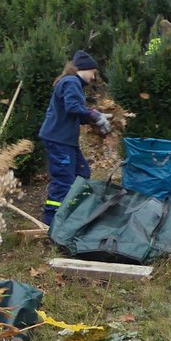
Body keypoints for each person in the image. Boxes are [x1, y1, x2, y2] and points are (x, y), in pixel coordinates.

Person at [39, 50, 113, 226]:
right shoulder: (71, 82)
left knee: (82, 173)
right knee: (63, 180)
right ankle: (51, 221)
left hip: (66, 140)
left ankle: (73, 211)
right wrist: (94, 114)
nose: (94, 78)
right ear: (86, 69)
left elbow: (75, 115)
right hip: (58, 140)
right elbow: (72, 107)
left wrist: (97, 119)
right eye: (93, 73)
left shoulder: (73, 84)